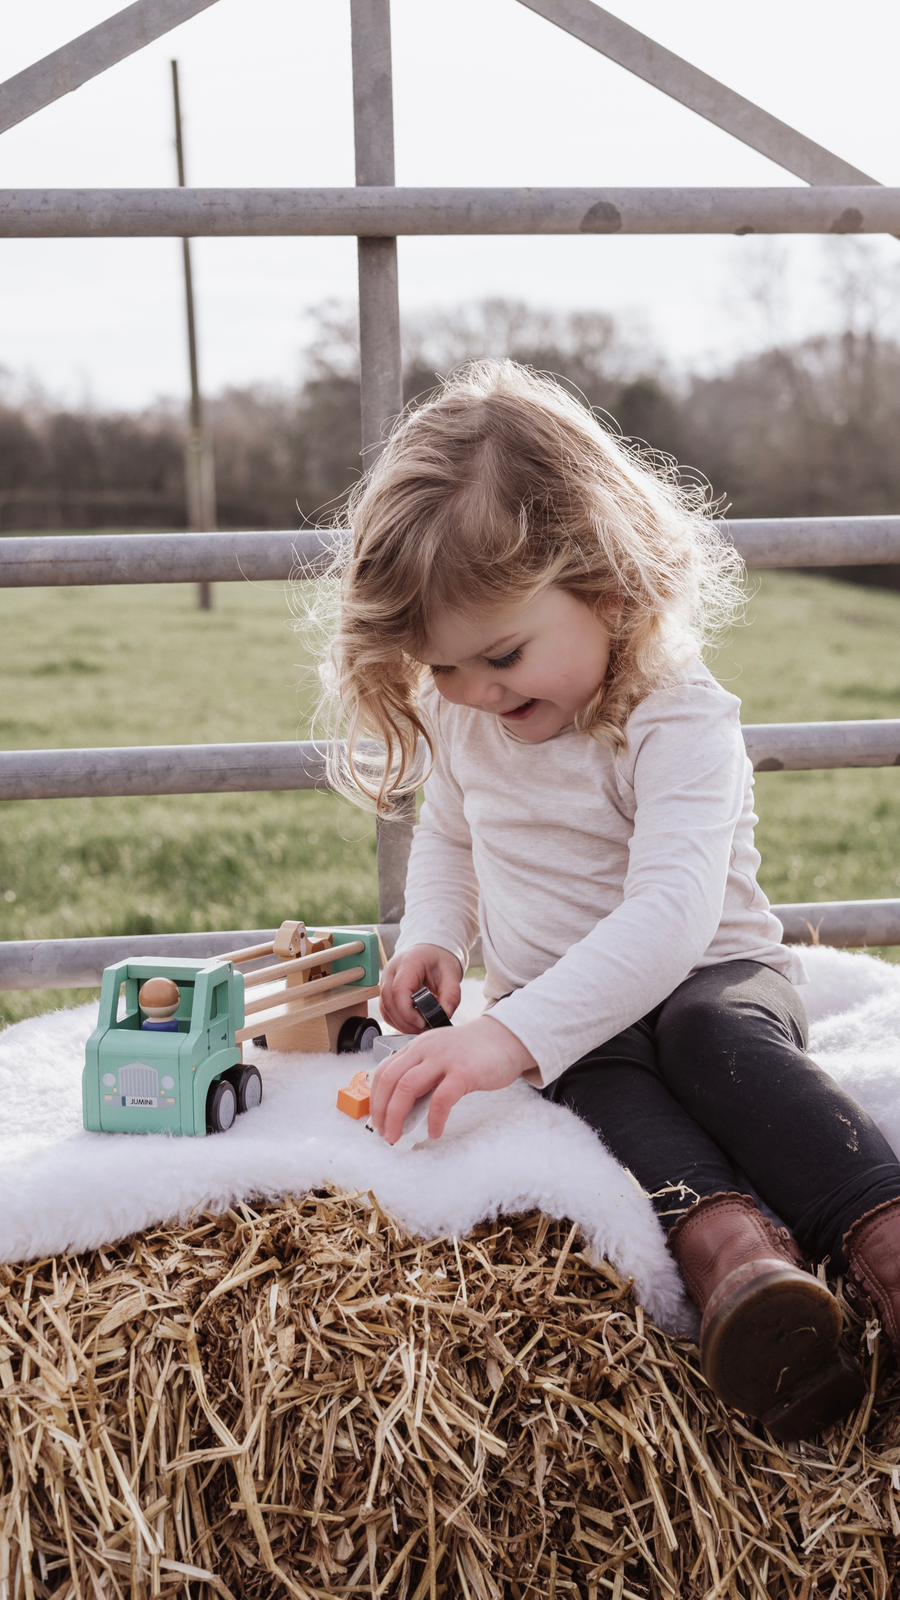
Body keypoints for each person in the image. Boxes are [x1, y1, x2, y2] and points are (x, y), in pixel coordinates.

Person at [300, 357, 900, 1442]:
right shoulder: (474, 712)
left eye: (503, 655)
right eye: (443, 670)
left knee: (710, 1040)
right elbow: (450, 829)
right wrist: (436, 935)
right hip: (566, 1014)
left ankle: (885, 1240)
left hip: (712, 971)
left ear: (607, 584)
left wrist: (502, 1042)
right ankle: (743, 1272)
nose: (475, 694)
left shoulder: (675, 715)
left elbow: (670, 918)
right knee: (606, 1081)